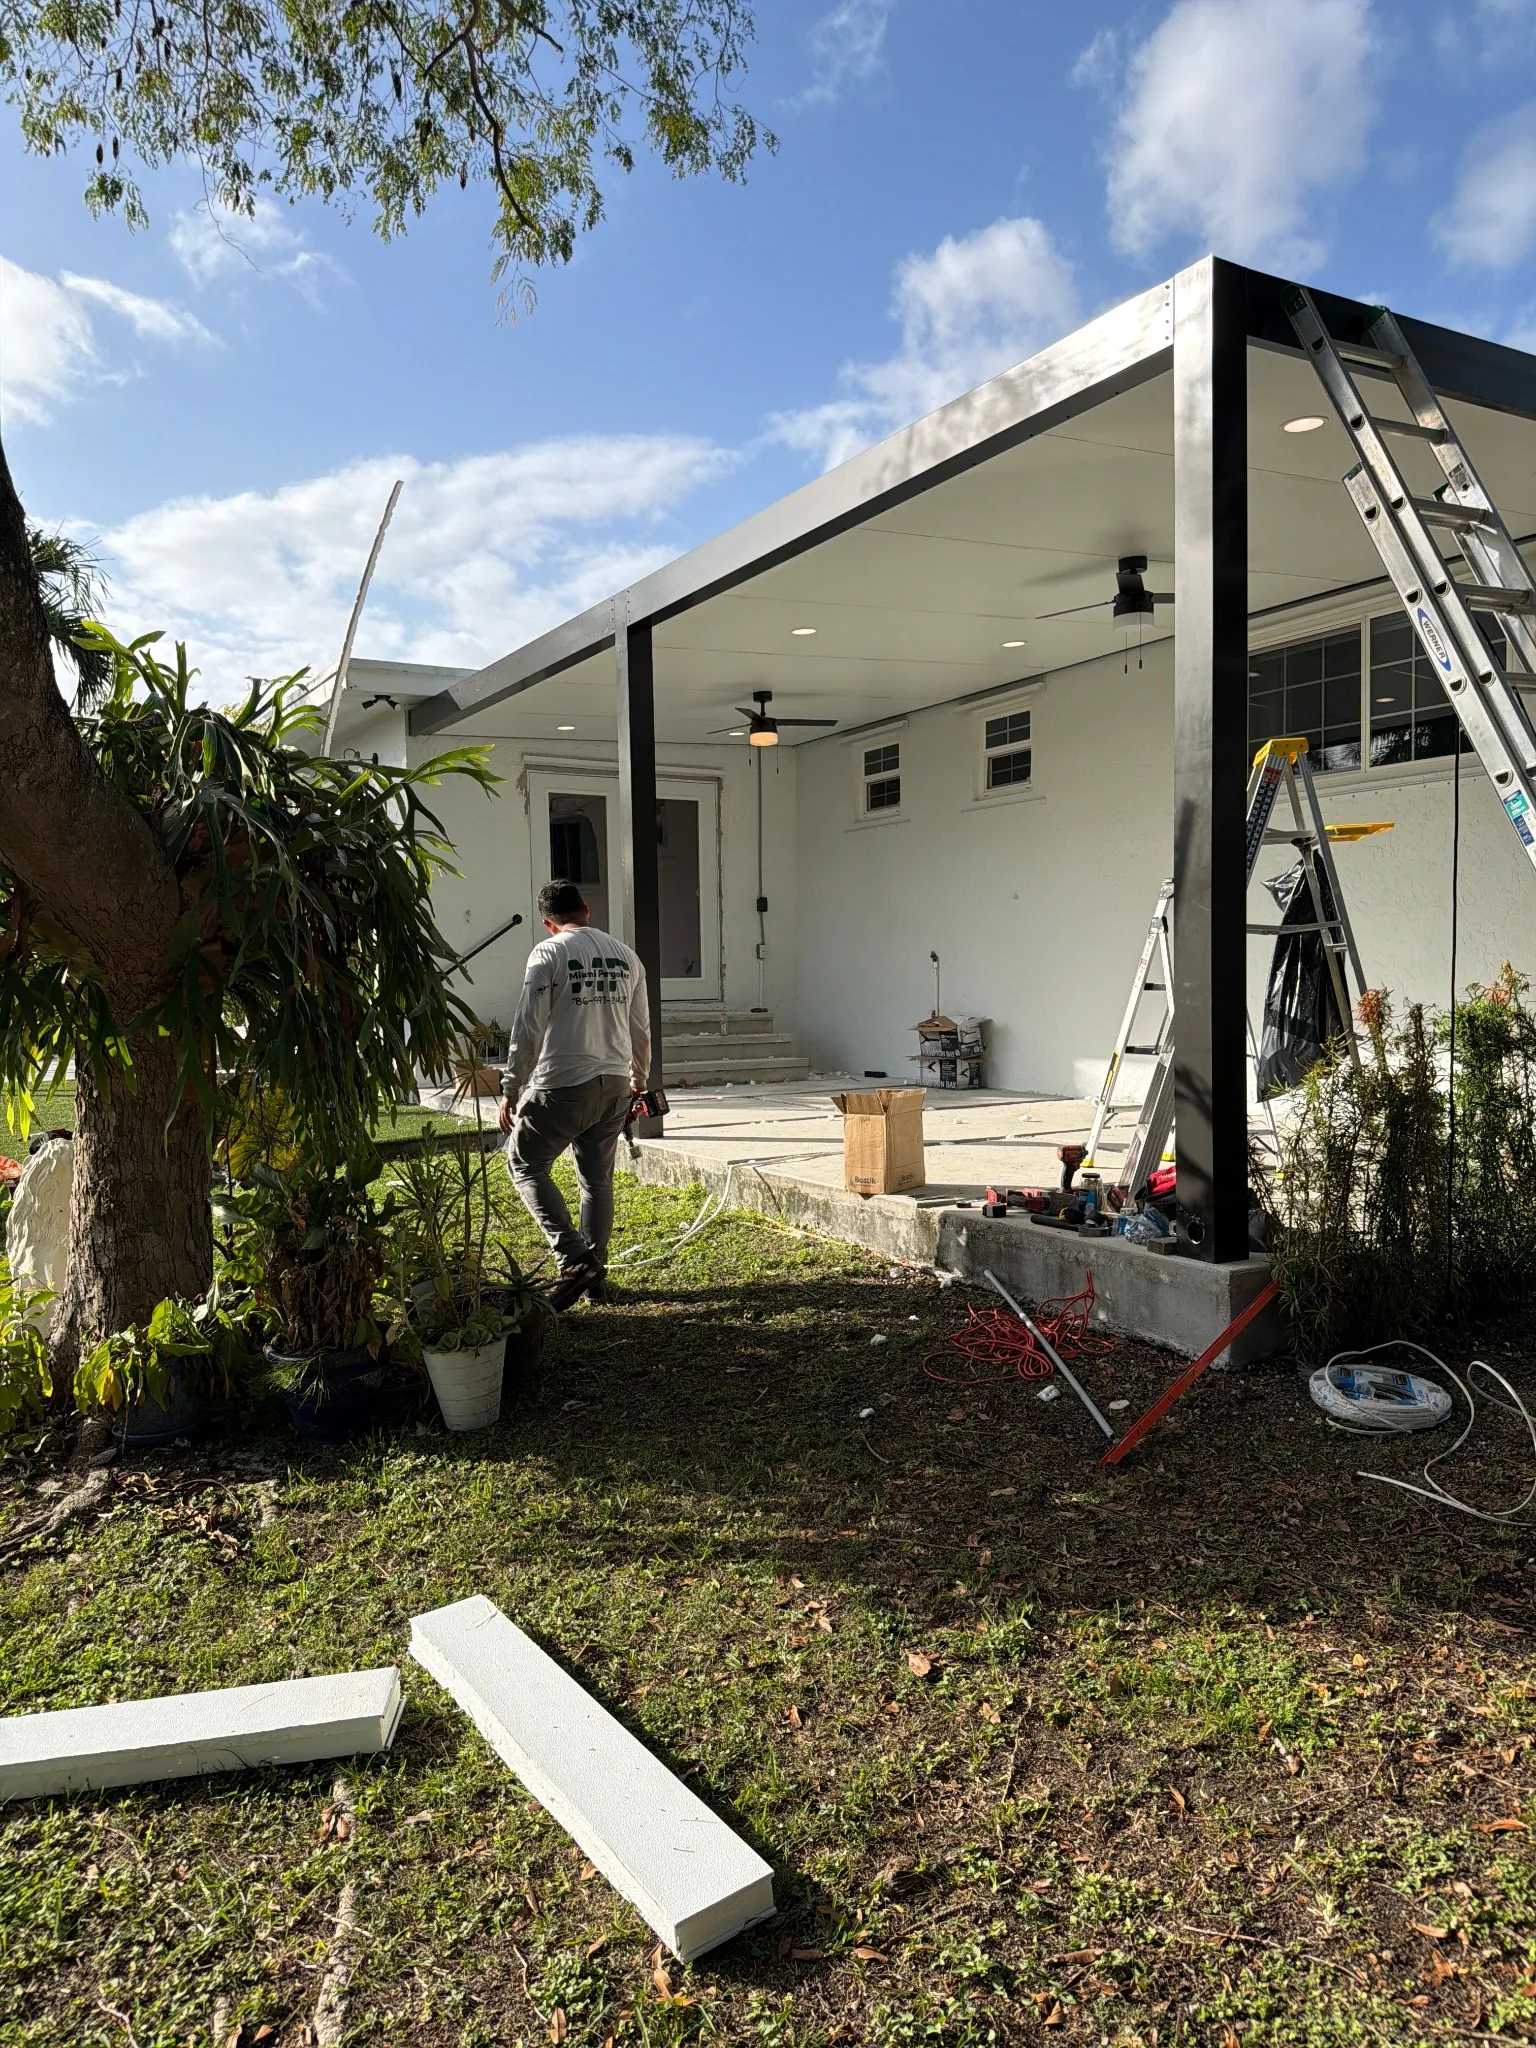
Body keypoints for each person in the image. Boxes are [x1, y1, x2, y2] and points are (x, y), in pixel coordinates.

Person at [498, 878, 652, 1308]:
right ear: (586, 910)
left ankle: (574, 1257)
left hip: (562, 1084)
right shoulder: (627, 957)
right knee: (596, 1181)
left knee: (525, 1163)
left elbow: (529, 1024)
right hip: (615, 1085)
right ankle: (595, 1273)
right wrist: (639, 1080)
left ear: (549, 923)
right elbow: (641, 1028)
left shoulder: (548, 952)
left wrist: (511, 1086)